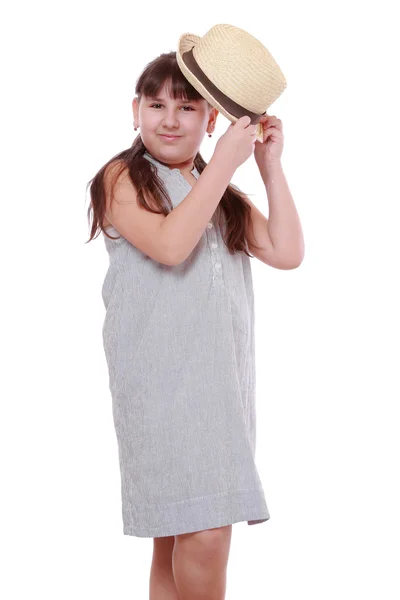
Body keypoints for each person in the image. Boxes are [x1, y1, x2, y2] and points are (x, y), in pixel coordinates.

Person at [86, 50, 304, 600]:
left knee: (183, 539)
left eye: (187, 107)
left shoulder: (220, 194)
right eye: (156, 104)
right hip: (159, 389)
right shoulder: (120, 177)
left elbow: (286, 251)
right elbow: (170, 245)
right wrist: (225, 164)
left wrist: (267, 169)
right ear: (135, 109)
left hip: (218, 390)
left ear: (211, 121)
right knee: (201, 533)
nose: (169, 119)